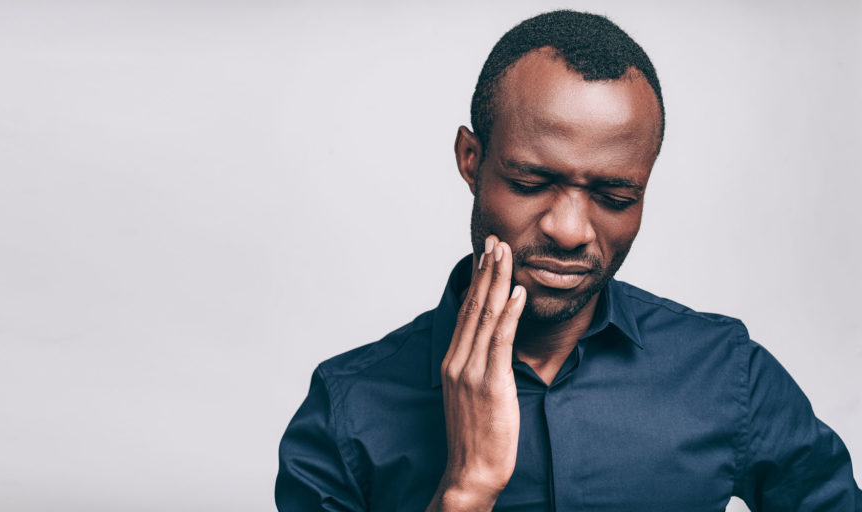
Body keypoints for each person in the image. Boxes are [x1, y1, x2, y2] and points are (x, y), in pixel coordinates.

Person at [275, 10, 861, 511]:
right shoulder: (347, 408)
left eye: (615, 197)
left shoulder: (727, 373)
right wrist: (465, 491)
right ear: (470, 159)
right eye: (531, 181)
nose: (570, 230)